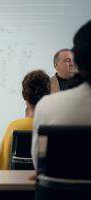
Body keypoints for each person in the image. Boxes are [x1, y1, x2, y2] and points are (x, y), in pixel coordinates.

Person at [32, 19, 91, 168]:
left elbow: (40, 162)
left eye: (72, 60)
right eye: (67, 60)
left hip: (60, 189)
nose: (71, 63)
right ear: (56, 65)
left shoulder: (47, 105)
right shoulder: (45, 86)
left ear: (79, 61)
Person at [0, 70, 50, 170]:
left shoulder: (13, 126)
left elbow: (1, 167)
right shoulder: (53, 126)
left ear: (24, 95)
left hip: (15, 184)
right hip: (45, 183)